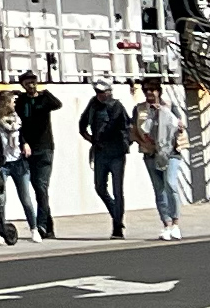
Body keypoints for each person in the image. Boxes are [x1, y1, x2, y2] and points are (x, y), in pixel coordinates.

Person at [78, 77, 135, 237]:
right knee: (100, 187)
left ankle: (117, 226)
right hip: (100, 153)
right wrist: (92, 140)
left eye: (102, 92)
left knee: (118, 190)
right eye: (97, 92)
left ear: (109, 92)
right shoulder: (93, 105)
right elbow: (82, 124)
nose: (99, 95)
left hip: (116, 153)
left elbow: (122, 128)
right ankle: (116, 215)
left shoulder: (116, 106)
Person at [132, 79, 186, 239]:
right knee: (159, 189)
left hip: (171, 153)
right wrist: (143, 143)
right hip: (150, 153)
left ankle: (176, 223)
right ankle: (166, 224)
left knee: (171, 184)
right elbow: (133, 130)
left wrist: (167, 115)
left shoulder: (169, 106)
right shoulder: (139, 109)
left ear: (159, 91)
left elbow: (180, 125)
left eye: (152, 89)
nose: (149, 92)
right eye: (146, 89)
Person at [13, 71, 63, 238]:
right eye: (27, 83)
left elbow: (58, 104)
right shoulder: (21, 102)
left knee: (41, 187)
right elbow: (17, 124)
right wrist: (23, 142)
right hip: (28, 150)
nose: (31, 85)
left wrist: (44, 93)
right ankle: (48, 226)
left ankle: (42, 225)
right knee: (35, 187)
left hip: (45, 149)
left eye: (33, 82)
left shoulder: (44, 99)